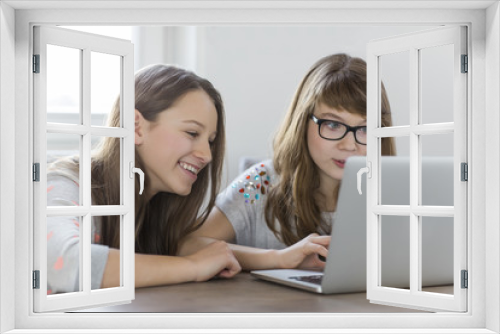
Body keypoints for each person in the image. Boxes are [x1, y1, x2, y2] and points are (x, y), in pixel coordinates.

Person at [178, 53, 394, 271]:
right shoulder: (260, 181)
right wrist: (278, 258)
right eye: (333, 125)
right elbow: (188, 245)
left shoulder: (391, 193)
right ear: (302, 122)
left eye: (365, 129)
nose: (349, 145)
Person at [46, 64, 240, 294]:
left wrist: (277, 259)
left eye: (210, 140)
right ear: (136, 127)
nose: (207, 155)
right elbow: (65, 263)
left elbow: (188, 246)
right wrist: (193, 267)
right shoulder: (66, 183)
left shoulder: (151, 209)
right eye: (192, 133)